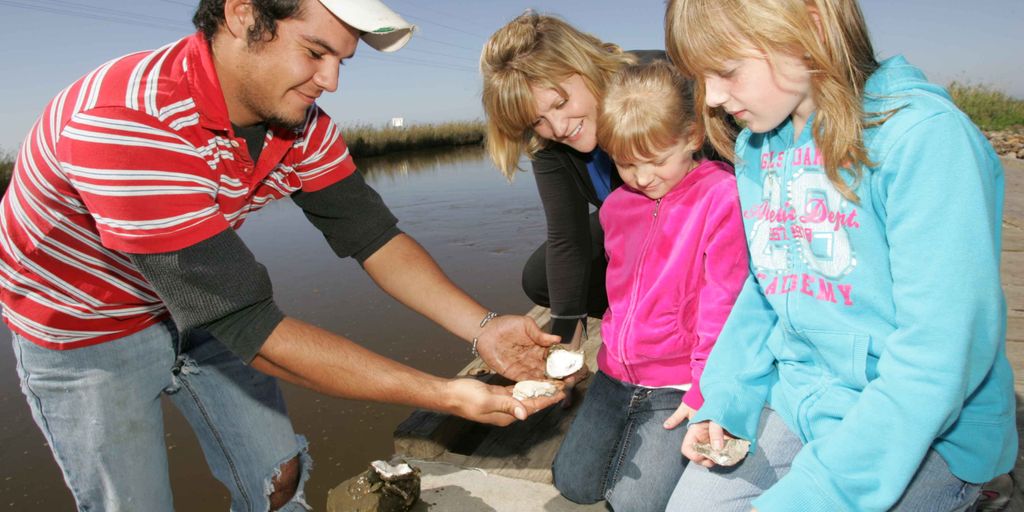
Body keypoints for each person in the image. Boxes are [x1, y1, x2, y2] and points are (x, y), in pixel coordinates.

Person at [0, 0, 568, 510]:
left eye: (343, 60)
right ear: (243, 14)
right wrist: (442, 394)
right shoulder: (129, 124)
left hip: (201, 308)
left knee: (278, 473)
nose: (331, 81)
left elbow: (374, 238)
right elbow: (251, 327)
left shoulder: (299, 124)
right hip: (86, 334)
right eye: (316, 51)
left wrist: (484, 328)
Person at [663, 0, 1018, 510]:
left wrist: (818, 493)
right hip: (804, 397)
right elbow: (766, 289)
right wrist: (726, 396)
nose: (714, 97)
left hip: (931, 428)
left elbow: (939, 355)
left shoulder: (923, 139)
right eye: (702, 77)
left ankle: (975, 489)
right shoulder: (757, 148)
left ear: (809, 22)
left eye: (726, 70)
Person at [548, 60, 749, 511]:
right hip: (616, 374)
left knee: (635, 505)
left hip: (680, 382)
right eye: (625, 163)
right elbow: (619, 292)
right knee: (572, 484)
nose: (641, 177)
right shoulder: (616, 207)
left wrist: (705, 389)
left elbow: (724, 304)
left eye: (656, 160)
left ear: (693, 137)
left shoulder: (721, 197)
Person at [480, 11, 663, 344]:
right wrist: (562, 352)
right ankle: (633, 313)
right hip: (635, 222)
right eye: (537, 120)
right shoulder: (549, 141)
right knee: (539, 278)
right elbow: (567, 238)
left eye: (561, 102)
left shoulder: (659, 88)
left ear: (585, 65)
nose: (559, 127)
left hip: (705, 220)